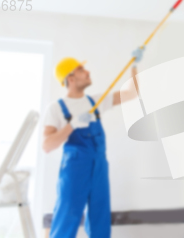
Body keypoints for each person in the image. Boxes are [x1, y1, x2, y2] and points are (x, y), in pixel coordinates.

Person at [42, 48, 143, 238]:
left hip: (99, 166)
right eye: (81, 70)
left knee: (100, 219)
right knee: (67, 217)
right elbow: (47, 145)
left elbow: (131, 93)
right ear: (70, 78)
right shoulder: (56, 108)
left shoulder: (96, 101)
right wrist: (71, 125)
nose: (87, 72)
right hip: (74, 169)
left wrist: (134, 66)